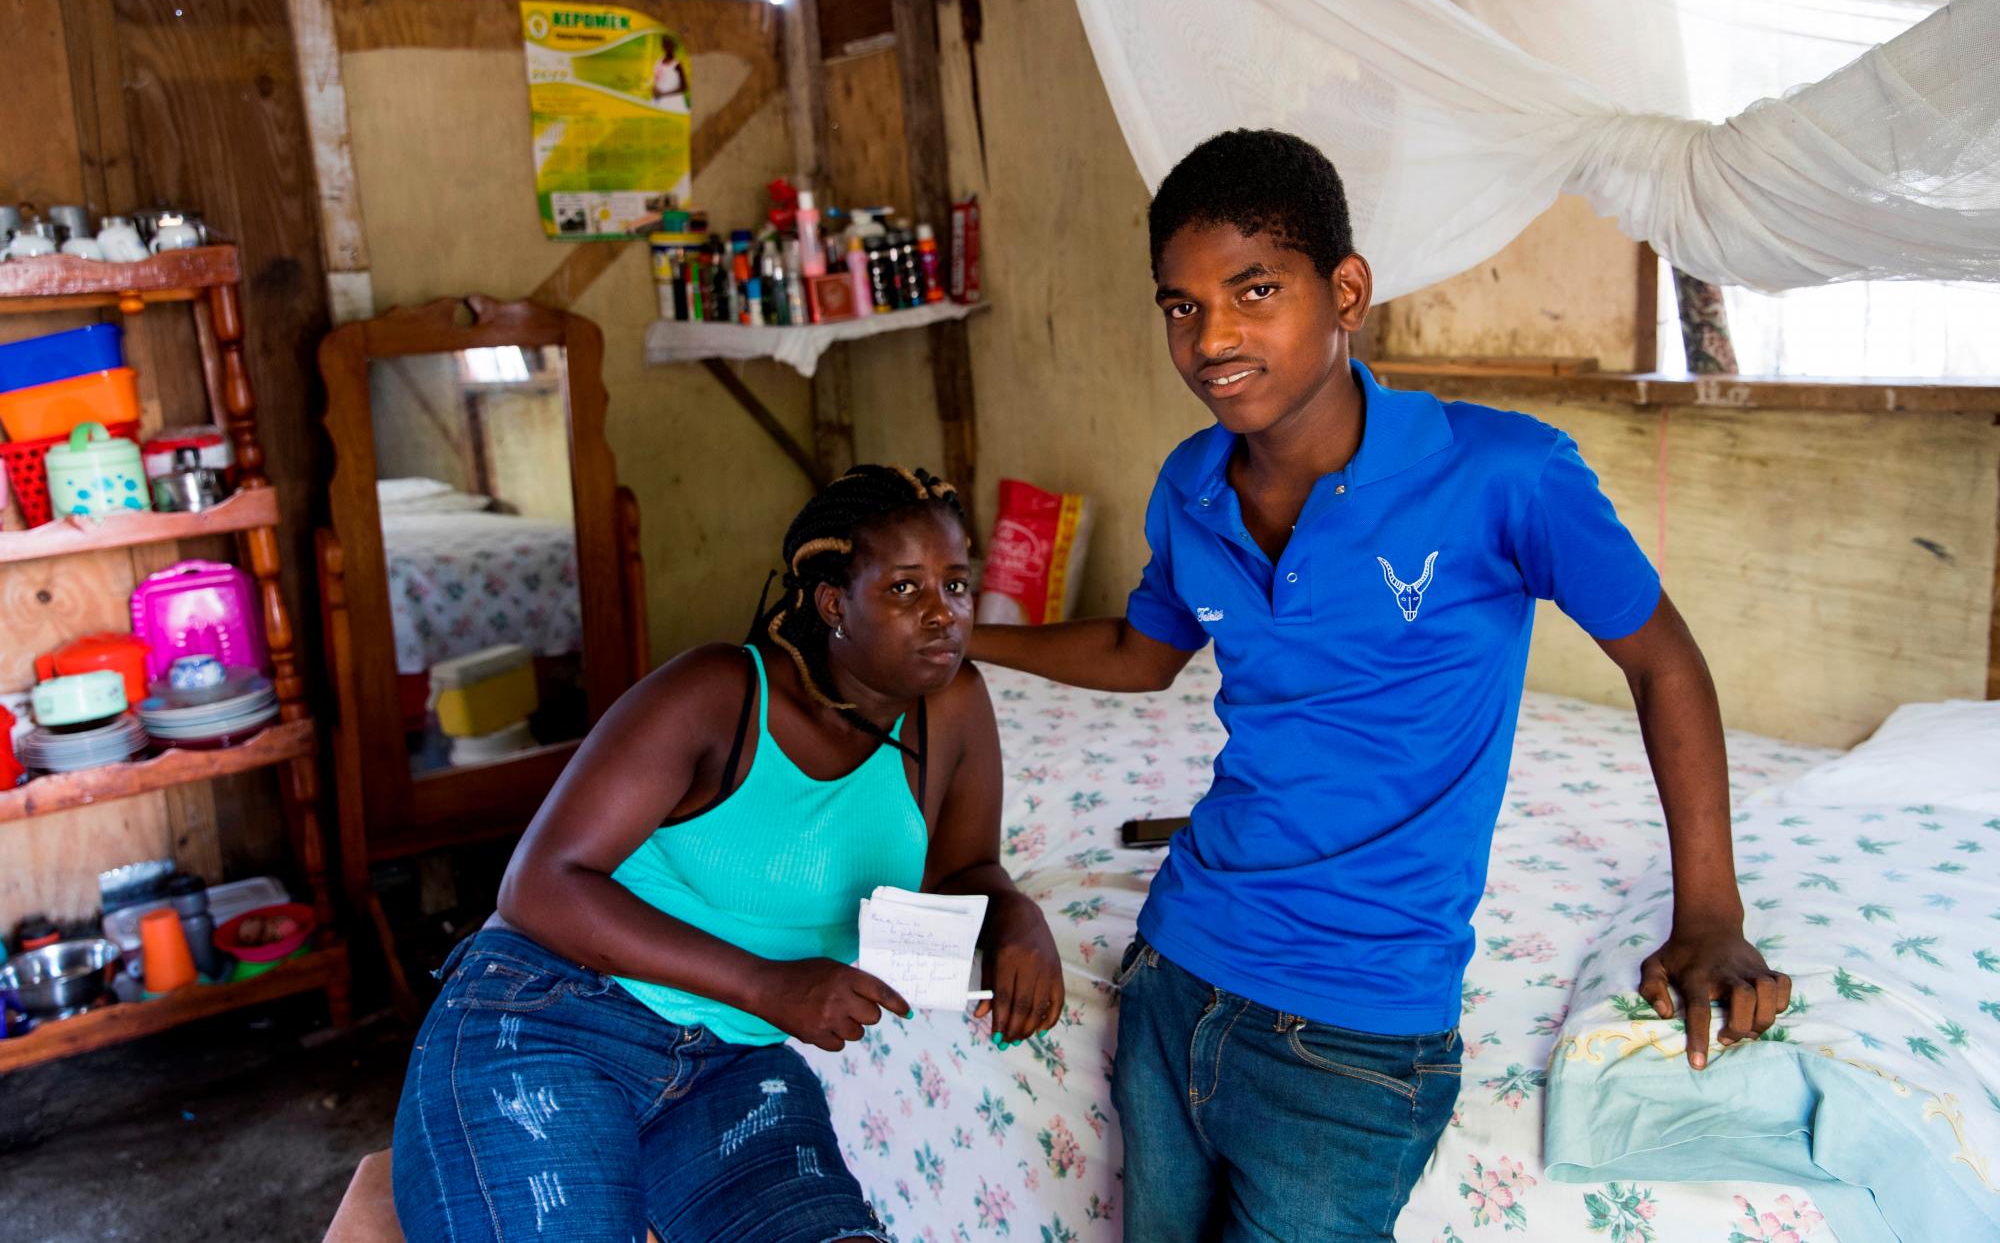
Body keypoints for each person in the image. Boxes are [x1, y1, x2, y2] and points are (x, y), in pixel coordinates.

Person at [969, 130, 1786, 1242]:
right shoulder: (1190, 485)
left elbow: (1661, 658)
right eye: (1179, 305)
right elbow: (1142, 649)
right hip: (1175, 971)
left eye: (1253, 291)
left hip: (1352, 1034)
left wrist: (1708, 912)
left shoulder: (1501, 472)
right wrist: (965, 644)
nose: (1211, 338)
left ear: (1343, 290)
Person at [392, 464, 1064, 1243]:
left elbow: (961, 870)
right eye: (905, 589)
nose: (944, 614)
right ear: (833, 603)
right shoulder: (721, 694)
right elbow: (537, 884)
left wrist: (1016, 916)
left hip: (729, 1065)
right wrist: (765, 983)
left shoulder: (954, 709)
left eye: (956, 585)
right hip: (553, 1017)